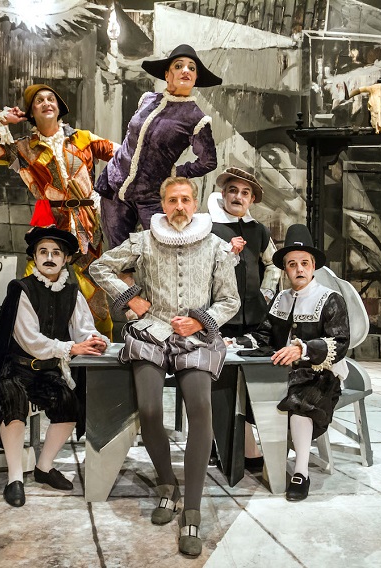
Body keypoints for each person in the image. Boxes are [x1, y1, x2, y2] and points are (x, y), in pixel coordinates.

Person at [90, 177, 239, 557]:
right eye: (172, 200)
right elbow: (100, 268)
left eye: (185, 199)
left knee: (200, 408)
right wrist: (131, 299)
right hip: (151, 332)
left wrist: (200, 320)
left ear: (195, 202)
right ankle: (167, 485)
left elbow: (229, 300)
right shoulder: (143, 240)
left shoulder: (216, 246)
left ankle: (192, 509)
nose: (179, 206)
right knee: (150, 410)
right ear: (163, 203)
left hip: (195, 335)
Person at [0, 84, 116, 337]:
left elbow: (125, 156)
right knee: (34, 290)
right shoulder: (23, 148)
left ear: (58, 107)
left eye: (51, 99)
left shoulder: (82, 138)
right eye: (39, 101)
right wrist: (0, 119)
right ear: (31, 112)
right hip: (49, 224)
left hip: (86, 224)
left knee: (95, 295)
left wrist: (110, 192)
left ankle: (102, 348)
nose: (47, 103)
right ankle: (30, 346)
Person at [0, 226, 109, 507]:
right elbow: (30, 340)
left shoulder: (72, 293)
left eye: (56, 253)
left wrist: (95, 340)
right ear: (35, 257)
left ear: (66, 259)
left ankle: (44, 467)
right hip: (16, 367)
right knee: (13, 400)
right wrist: (71, 348)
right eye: (43, 252)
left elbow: (84, 329)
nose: (50, 258)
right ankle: (14, 477)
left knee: (69, 403)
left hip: (48, 369)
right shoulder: (22, 290)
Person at [252, 224, 350, 501]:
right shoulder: (280, 299)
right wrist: (238, 343)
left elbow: (340, 343)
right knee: (247, 393)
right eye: (292, 264)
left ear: (313, 266)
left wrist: (304, 350)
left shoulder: (329, 299)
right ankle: (252, 457)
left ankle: (301, 472)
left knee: (299, 402)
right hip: (283, 374)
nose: (299, 269)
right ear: (285, 269)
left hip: (321, 375)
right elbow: (263, 335)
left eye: (304, 263)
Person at [97, 44, 221, 249]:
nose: (185, 70)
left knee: (159, 254)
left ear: (196, 78)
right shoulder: (147, 99)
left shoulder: (196, 118)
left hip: (151, 197)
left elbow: (208, 161)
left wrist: (174, 172)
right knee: (117, 255)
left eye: (191, 68)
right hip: (115, 188)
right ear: (167, 74)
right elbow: (131, 138)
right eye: (178, 66)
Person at [208, 167, 280, 471]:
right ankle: (217, 444)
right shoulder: (209, 227)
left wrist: (266, 292)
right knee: (218, 382)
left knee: (251, 385)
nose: (238, 197)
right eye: (233, 191)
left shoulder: (258, 231)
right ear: (224, 194)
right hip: (220, 318)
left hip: (253, 320)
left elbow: (273, 264)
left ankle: (247, 444)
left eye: (245, 193)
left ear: (251, 200)